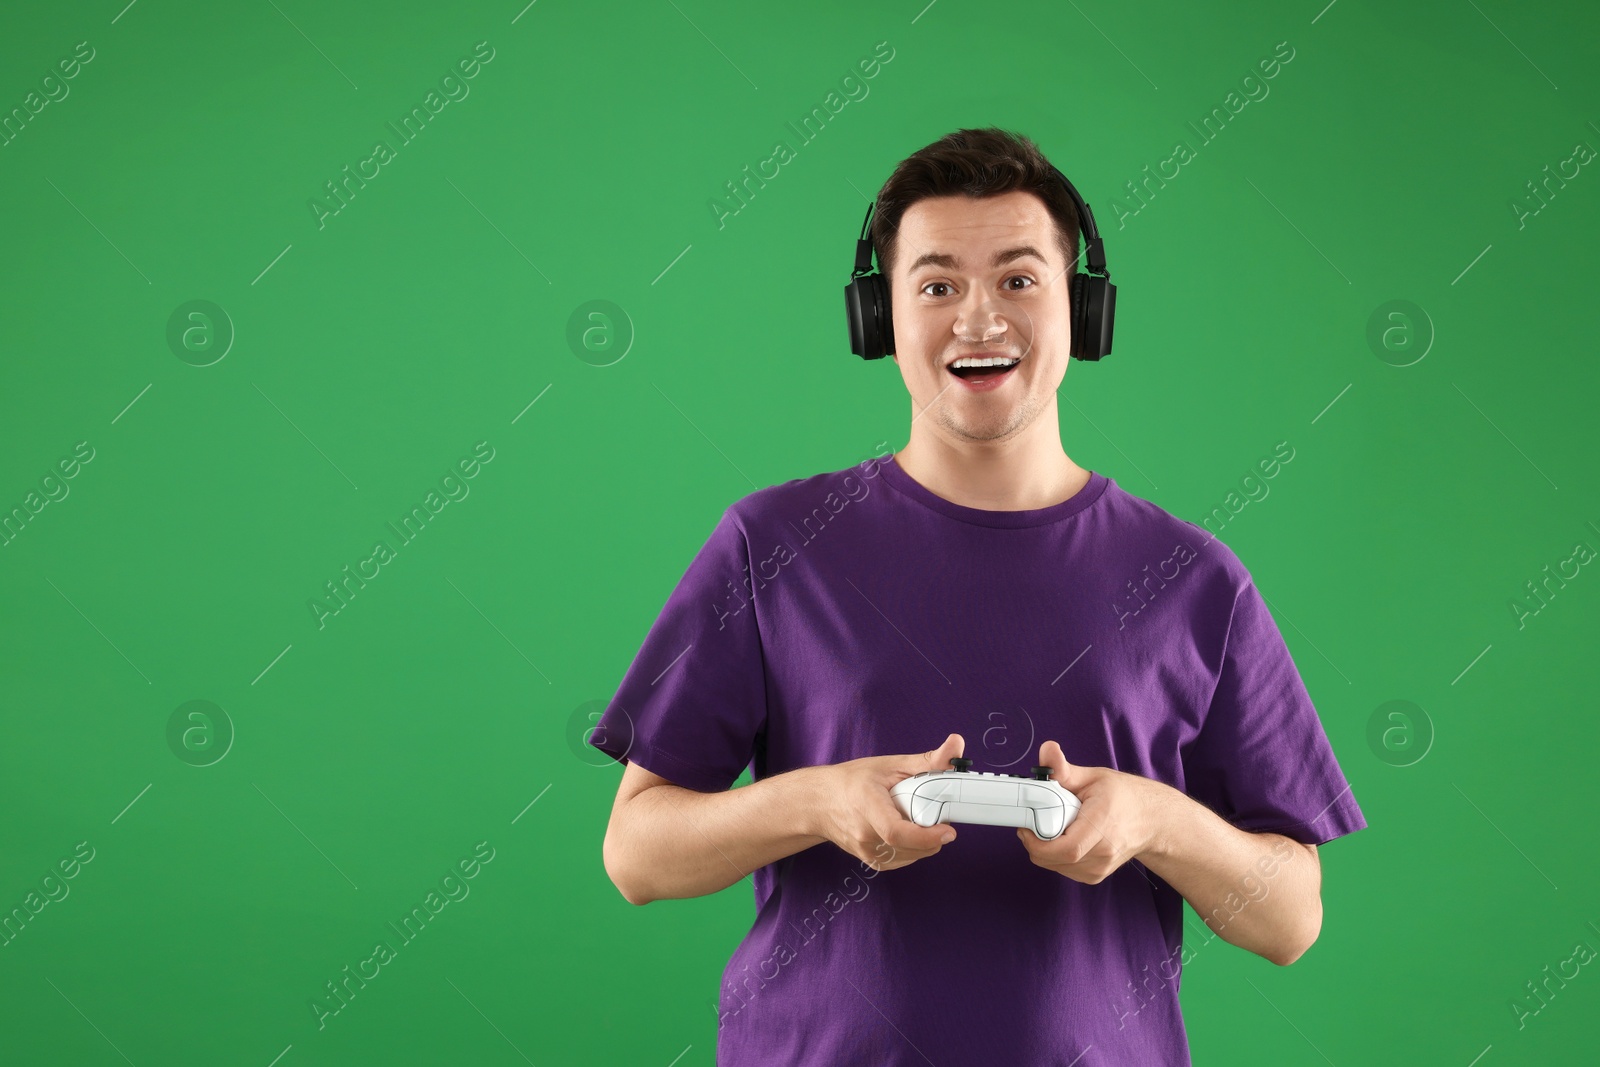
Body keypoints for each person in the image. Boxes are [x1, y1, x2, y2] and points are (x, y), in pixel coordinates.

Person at [588, 126, 1366, 1065]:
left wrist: (1155, 820)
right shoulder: (773, 543)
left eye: (1018, 279)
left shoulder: (1194, 578)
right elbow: (636, 852)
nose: (979, 319)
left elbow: (1290, 917)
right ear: (880, 320)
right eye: (937, 284)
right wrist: (819, 802)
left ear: (1084, 310)